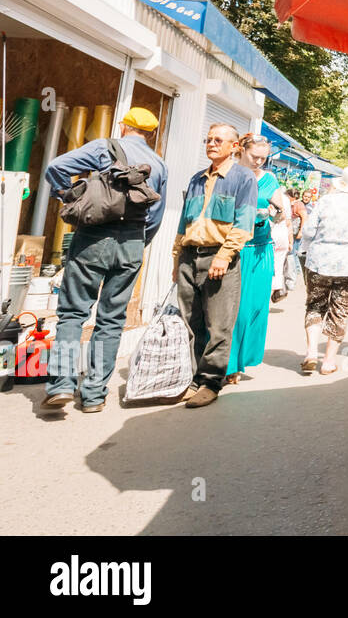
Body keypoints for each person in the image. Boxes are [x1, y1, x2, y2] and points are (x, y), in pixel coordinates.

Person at [39, 107, 168, 415]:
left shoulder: (105, 147)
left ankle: (61, 386)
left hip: (93, 238)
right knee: (112, 319)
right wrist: (138, 242)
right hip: (133, 243)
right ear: (151, 134)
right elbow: (156, 215)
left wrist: (70, 198)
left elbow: (56, 167)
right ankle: (95, 394)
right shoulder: (159, 164)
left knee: (72, 313)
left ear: (123, 126)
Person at [172, 123, 258, 408]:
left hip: (219, 259)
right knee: (190, 323)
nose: (211, 144)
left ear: (234, 146)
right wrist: (176, 259)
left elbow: (244, 224)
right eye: (208, 139)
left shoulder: (243, 178)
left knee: (219, 326)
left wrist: (224, 255)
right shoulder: (197, 178)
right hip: (188, 258)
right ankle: (192, 379)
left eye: (218, 140)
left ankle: (210, 382)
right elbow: (183, 222)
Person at [300, 165, 348, 375]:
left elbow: (308, 231)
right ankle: (328, 361)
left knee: (315, 305)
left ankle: (310, 353)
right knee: (340, 311)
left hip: (319, 261)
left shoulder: (326, 201)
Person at [225, 133, 287, 385]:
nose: (259, 162)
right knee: (234, 311)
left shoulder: (269, 179)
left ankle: (240, 362)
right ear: (240, 150)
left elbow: (280, 216)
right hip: (234, 248)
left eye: (264, 158)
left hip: (260, 249)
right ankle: (227, 364)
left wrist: (275, 212)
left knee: (254, 310)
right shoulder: (228, 174)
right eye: (254, 156)